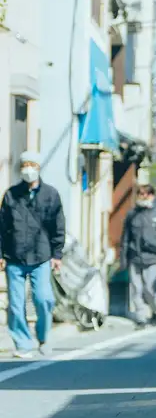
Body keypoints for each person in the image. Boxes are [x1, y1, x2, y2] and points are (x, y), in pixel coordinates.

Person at [0, 151, 65, 358]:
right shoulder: (11, 194)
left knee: (44, 299)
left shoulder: (51, 194)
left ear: (38, 167)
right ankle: (23, 343)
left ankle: (44, 337)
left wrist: (57, 254)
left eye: (32, 165)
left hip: (41, 256)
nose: (28, 169)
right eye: (24, 165)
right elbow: (2, 227)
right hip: (14, 257)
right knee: (16, 304)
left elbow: (58, 225)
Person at [121, 184, 156, 328]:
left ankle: (154, 311)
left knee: (149, 288)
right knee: (136, 289)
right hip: (135, 257)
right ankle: (141, 318)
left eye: (147, 194)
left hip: (153, 258)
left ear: (152, 196)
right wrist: (123, 259)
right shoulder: (132, 214)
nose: (144, 196)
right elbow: (125, 238)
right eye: (141, 193)